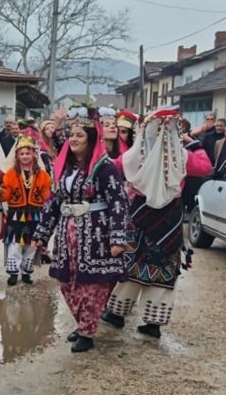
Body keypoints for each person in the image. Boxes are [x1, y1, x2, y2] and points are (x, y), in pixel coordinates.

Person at [102, 107, 213, 338]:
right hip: (170, 217)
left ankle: (116, 313)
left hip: (139, 214)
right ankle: (153, 322)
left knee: (131, 263)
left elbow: (112, 168)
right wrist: (192, 143)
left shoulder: (134, 155)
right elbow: (205, 167)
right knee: (164, 265)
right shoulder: (181, 156)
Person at [31, 107, 130, 353]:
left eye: (79, 136)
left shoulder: (105, 168)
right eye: (71, 135)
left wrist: (117, 237)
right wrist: (42, 234)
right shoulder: (65, 167)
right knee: (67, 282)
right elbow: (54, 201)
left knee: (92, 286)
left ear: (90, 139)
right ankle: (84, 322)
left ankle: (87, 330)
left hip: (95, 234)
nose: (73, 139)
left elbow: (118, 202)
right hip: (67, 234)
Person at [0, 135, 52, 286]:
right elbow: (6, 195)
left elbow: (47, 195)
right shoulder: (11, 174)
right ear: (17, 156)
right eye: (22, 154)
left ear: (34, 154)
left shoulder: (43, 175)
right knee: (15, 243)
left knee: (31, 244)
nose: (25, 156)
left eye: (28, 153)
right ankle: (14, 273)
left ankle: (27, 271)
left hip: (35, 214)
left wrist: (51, 199)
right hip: (16, 214)